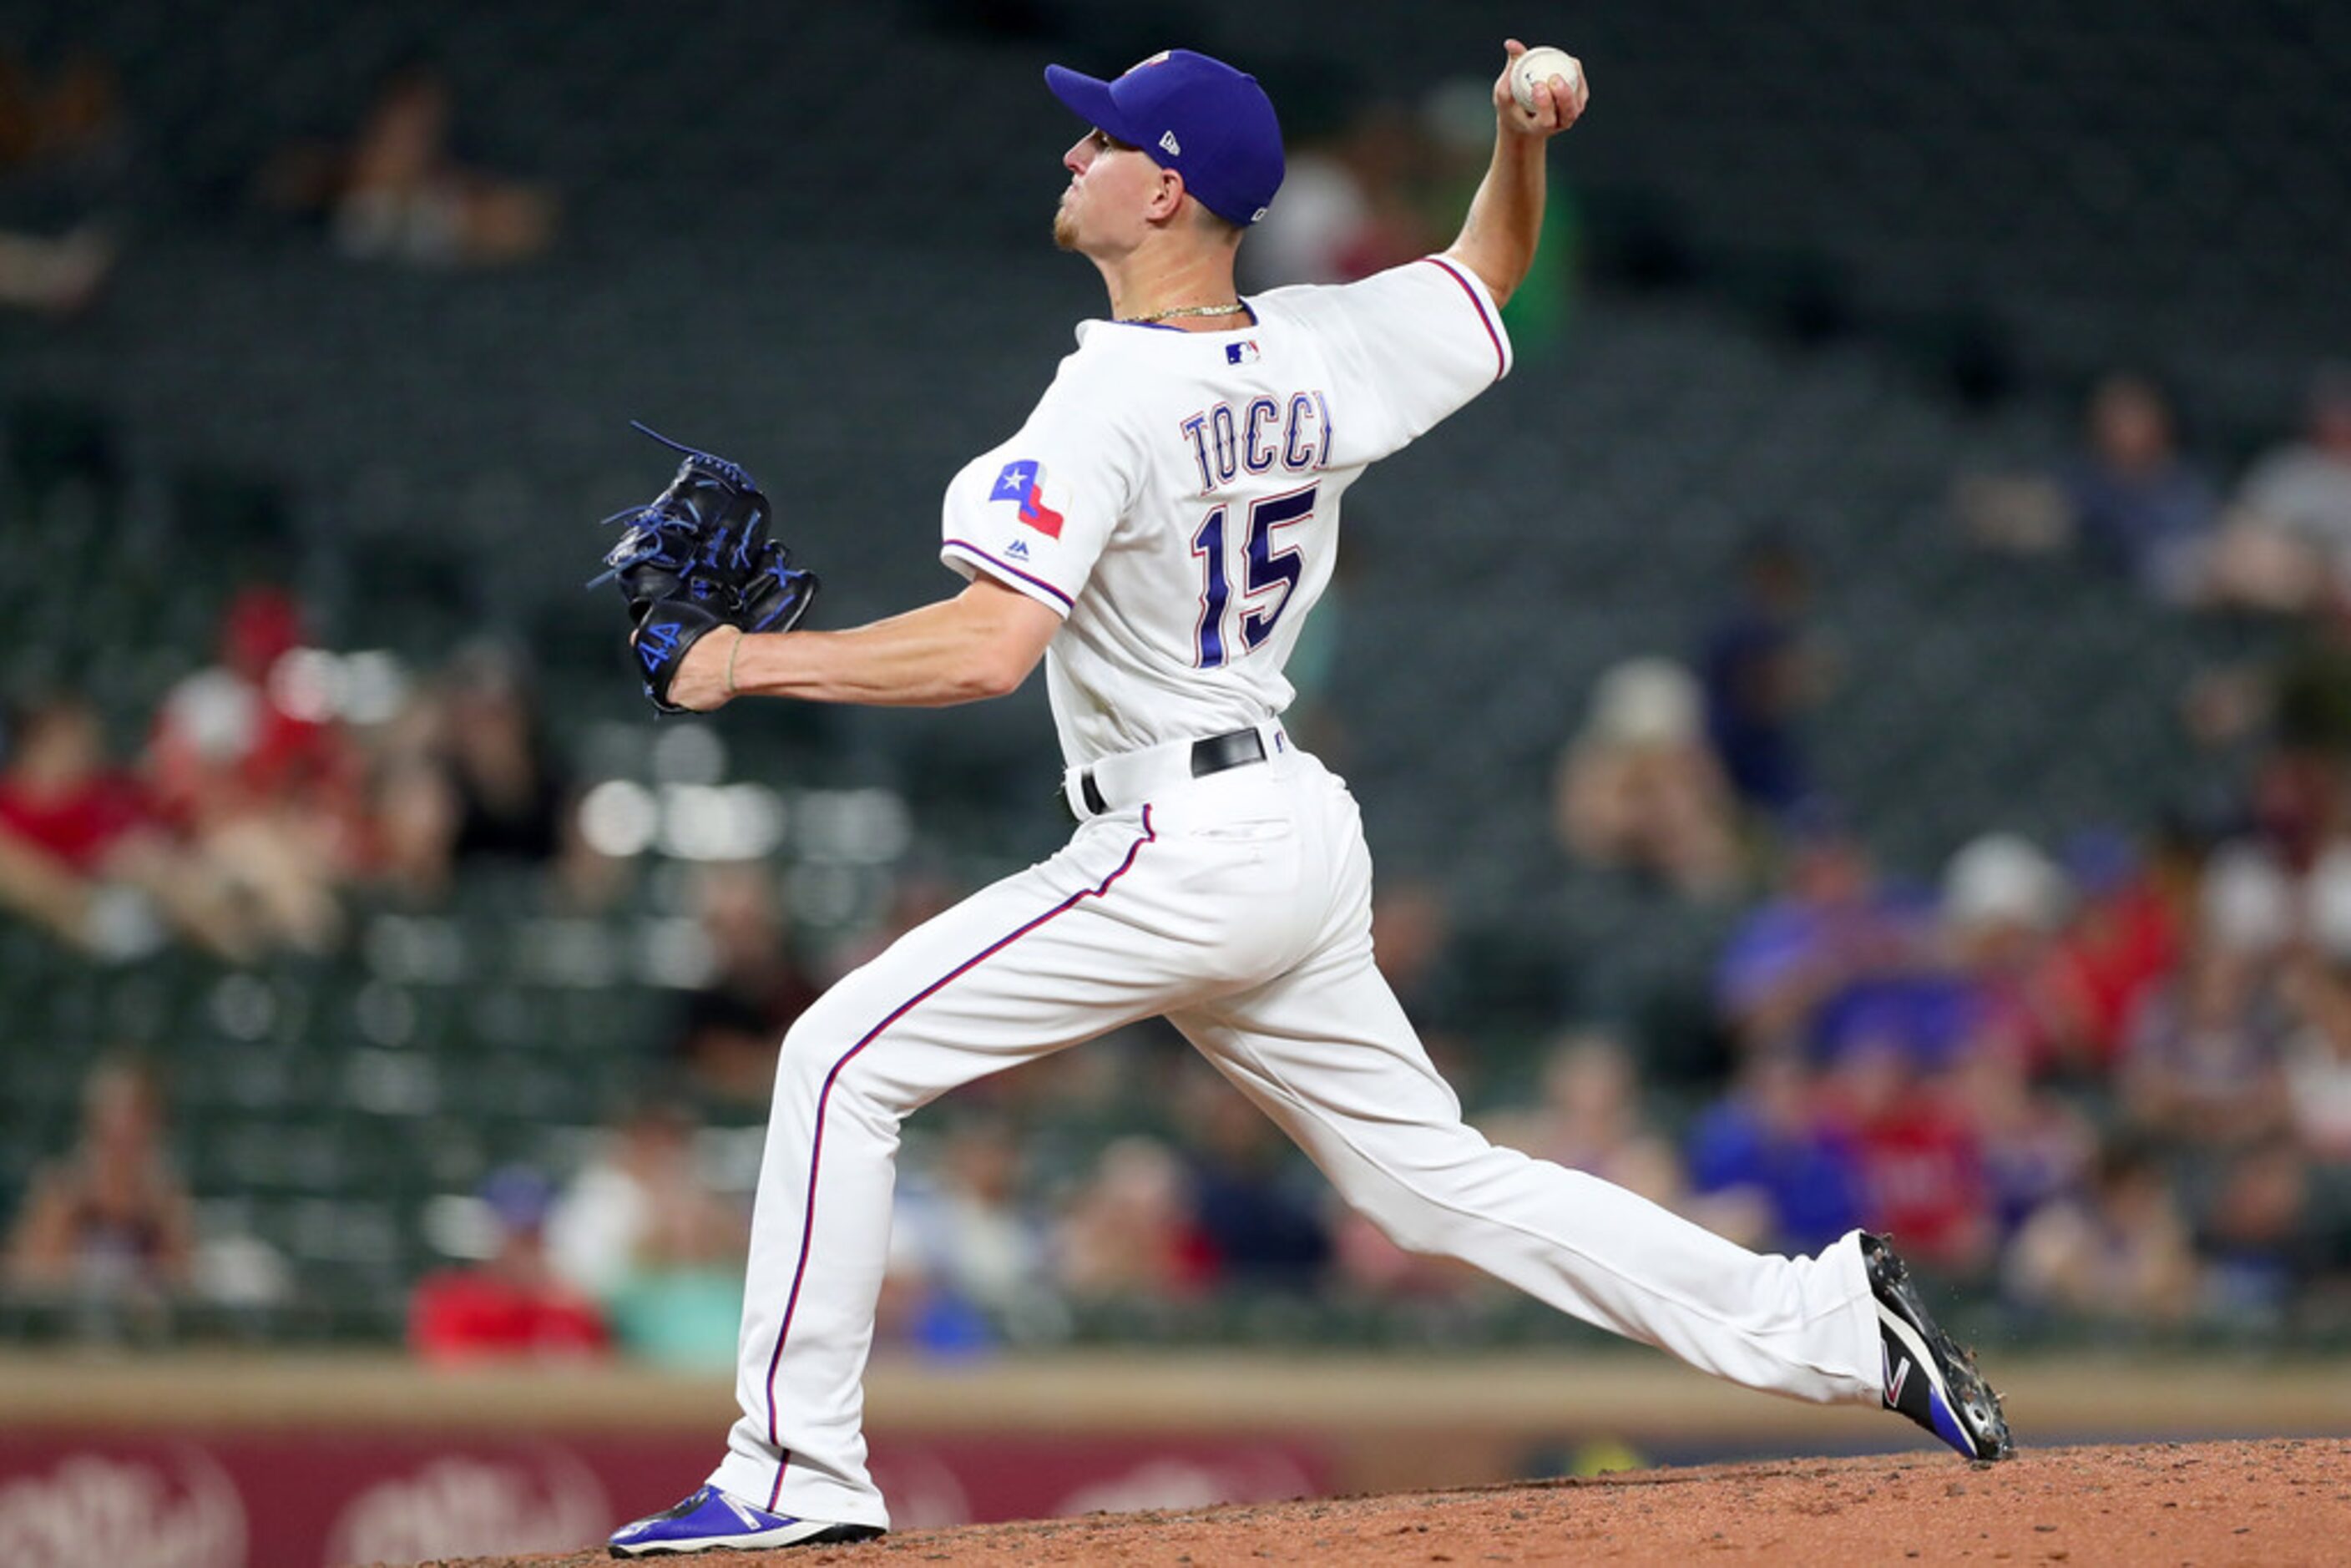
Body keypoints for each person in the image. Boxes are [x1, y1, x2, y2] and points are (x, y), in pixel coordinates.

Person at [604, 43, 2009, 1559]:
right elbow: (1490, 266)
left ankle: (796, 1472)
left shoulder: (1104, 397)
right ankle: (1829, 1317)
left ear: (1171, 186)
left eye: (1102, 145)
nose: (1073, 159)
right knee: (1440, 1184)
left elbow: (986, 649)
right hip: (1287, 829)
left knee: (833, 1057)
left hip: (1177, 841)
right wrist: (1518, 137)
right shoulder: (1318, 347)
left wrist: (738, 663)